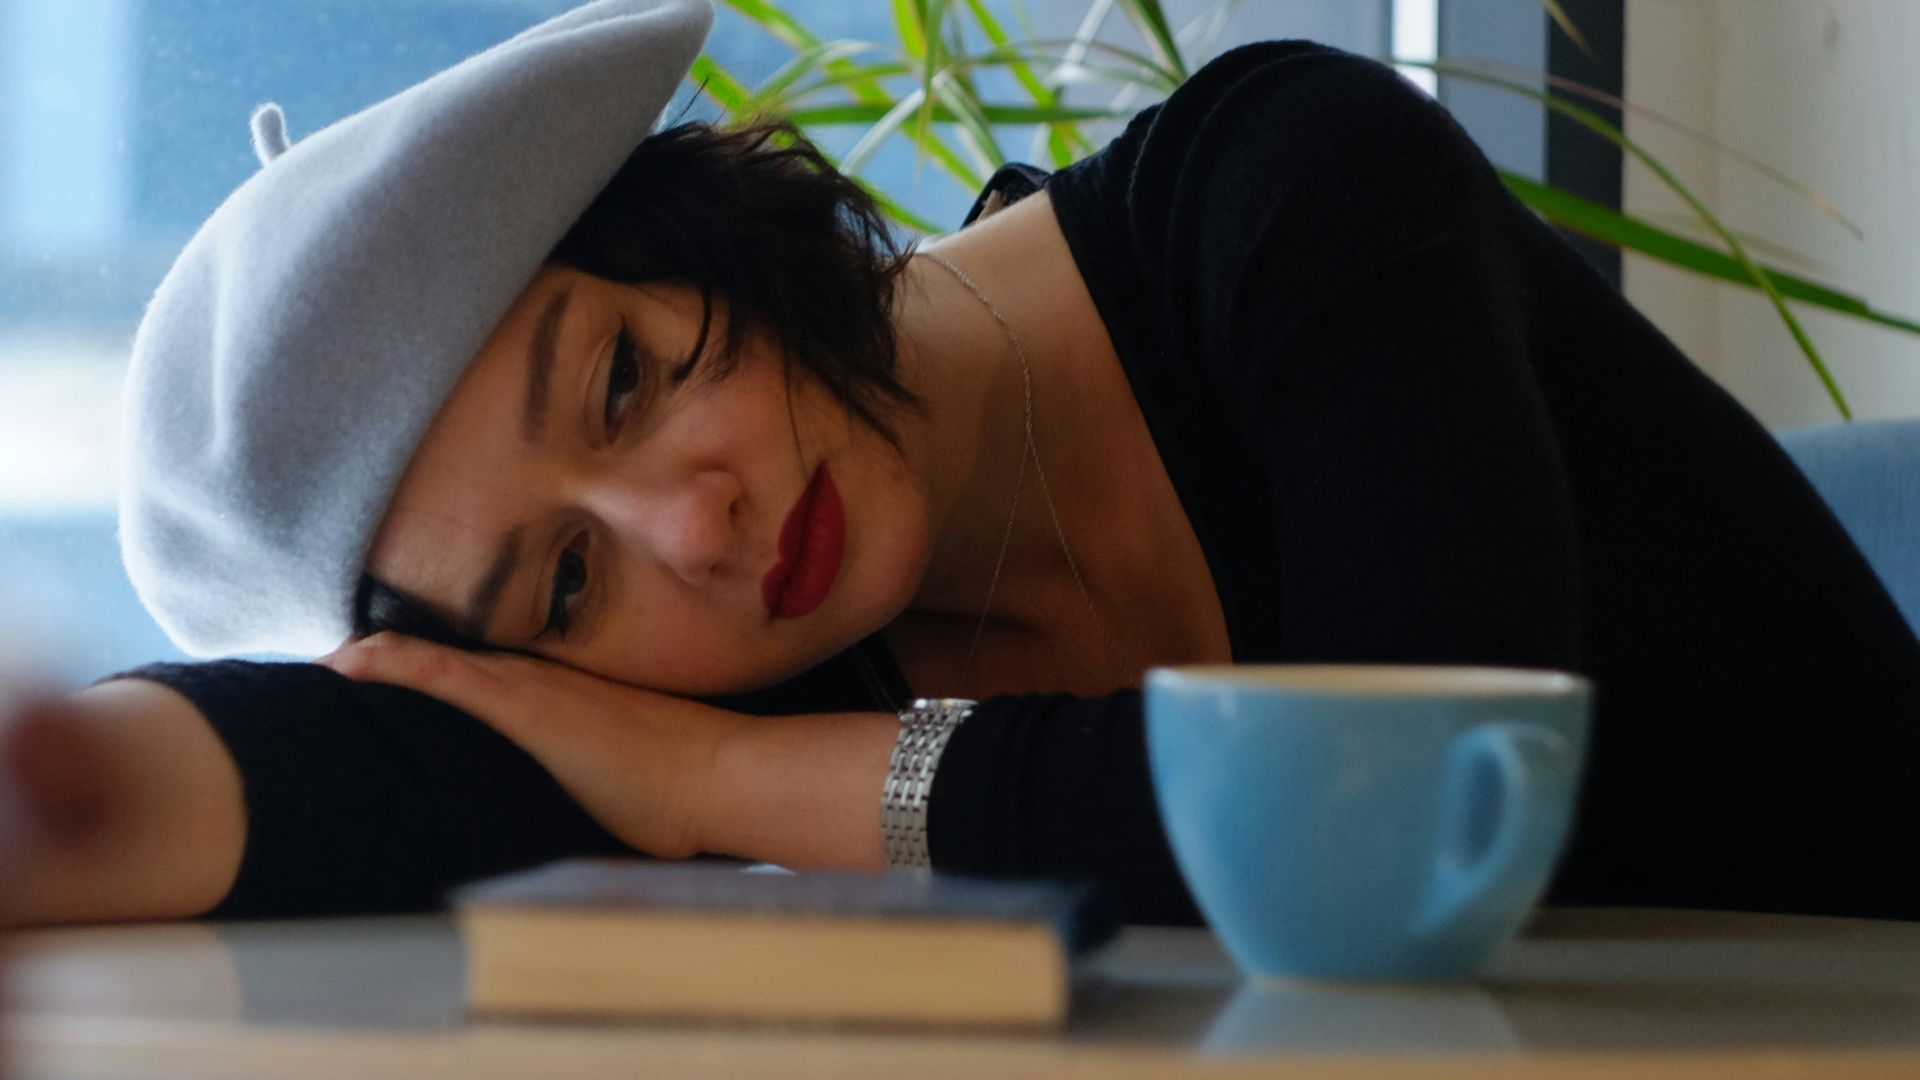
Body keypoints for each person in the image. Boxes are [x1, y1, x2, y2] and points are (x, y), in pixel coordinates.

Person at [4, 0, 1916, 928]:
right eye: (565, 587)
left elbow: (1394, 844)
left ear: (708, 230)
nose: (694, 520)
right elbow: (301, 762)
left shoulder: (1289, 194)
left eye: (626, 379)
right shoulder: (734, 651)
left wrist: (719, 777)